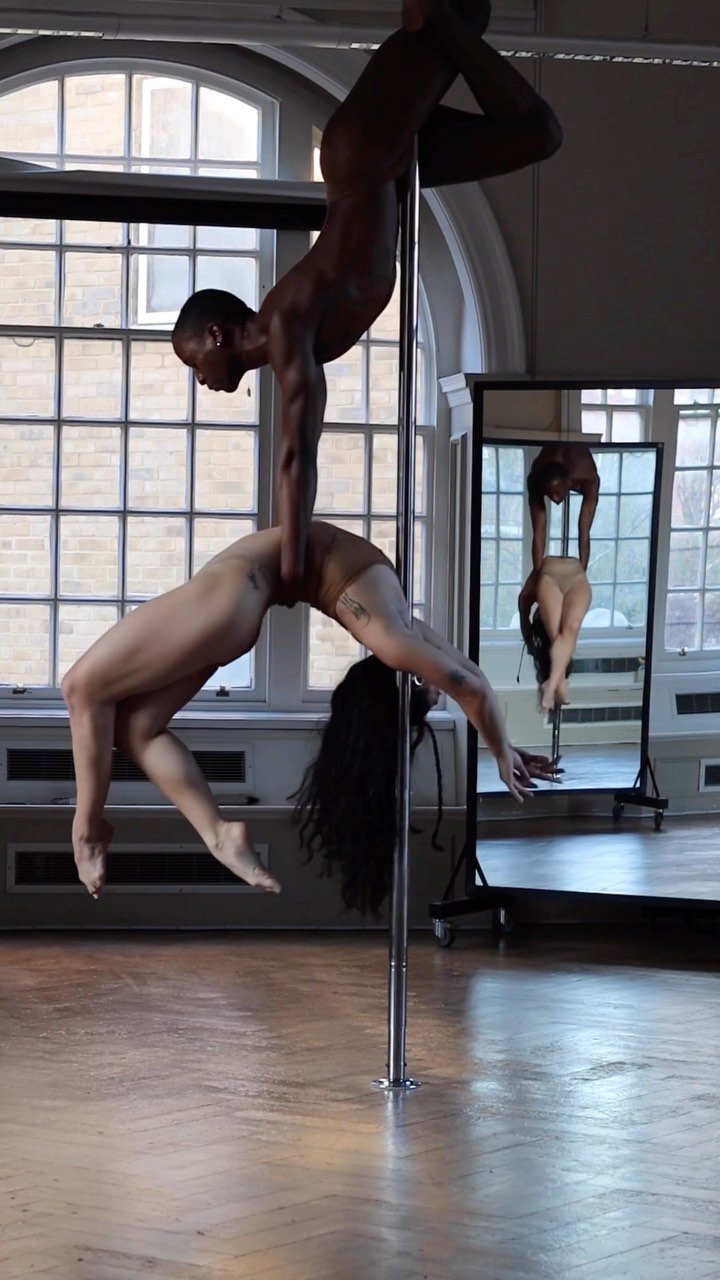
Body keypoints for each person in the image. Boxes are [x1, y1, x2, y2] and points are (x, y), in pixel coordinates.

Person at [171, 0, 562, 589]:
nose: (199, 378)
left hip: (362, 157)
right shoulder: (286, 333)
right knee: (532, 128)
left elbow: (298, 451)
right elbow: (300, 438)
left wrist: (293, 564)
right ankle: (442, 21)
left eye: (193, 362)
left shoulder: (285, 327)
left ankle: (437, 17)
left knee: (471, 38)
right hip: (387, 165)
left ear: (217, 335)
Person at [62, 521, 561, 902]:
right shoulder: (400, 628)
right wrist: (503, 746)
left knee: (81, 688)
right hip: (239, 601)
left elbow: (467, 686)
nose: (437, 690)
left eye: (429, 698)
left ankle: (87, 830)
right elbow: (471, 678)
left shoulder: (393, 641)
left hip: (236, 593)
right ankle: (219, 834)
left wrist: (498, 750)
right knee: (137, 728)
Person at [518, 554, 592, 714]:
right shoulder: (562, 643)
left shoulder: (536, 645)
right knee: (569, 630)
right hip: (568, 576)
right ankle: (558, 682)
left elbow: (523, 607)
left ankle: (552, 686)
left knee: (561, 635)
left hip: (555, 575)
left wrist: (526, 603)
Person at [526, 444, 600, 575]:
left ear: (568, 483)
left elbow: (584, 530)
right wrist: (537, 574)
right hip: (547, 459)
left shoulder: (589, 479)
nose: (554, 498)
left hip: (579, 458)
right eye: (550, 493)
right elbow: (539, 531)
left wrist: (582, 573)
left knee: (584, 527)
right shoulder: (535, 479)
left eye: (557, 492)